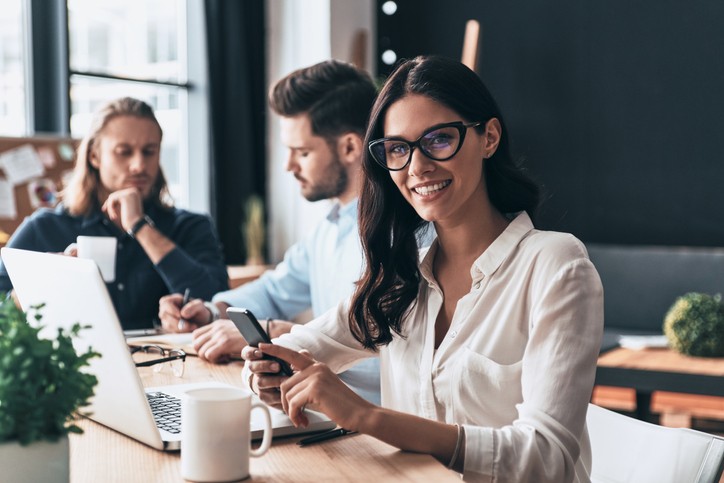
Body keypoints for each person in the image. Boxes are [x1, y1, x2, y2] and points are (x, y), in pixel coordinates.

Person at [242, 55, 604, 482]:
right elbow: (300, 347)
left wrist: (368, 417)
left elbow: (545, 456)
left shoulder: (556, 265)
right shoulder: (400, 278)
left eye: (438, 140)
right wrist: (263, 373)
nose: (417, 167)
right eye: (398, 148)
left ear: (489, 137)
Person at [157, 60, 382, 403]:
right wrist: (208, 311)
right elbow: (277, 291)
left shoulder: (398, 232)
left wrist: (273, 335)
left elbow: (387, 349)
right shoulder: (329, 226)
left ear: (350, 147)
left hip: (372, 420)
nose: (288, 165)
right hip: (322, 409)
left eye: (302, 152)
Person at [0, 97, 229, 329]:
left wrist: (139, 226)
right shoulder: (44, 228)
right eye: (124, 152)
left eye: (149, 152)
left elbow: (216, 303)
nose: (139, 165)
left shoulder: (191, 226)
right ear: (94, 156)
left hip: (170, 363)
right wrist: (34, 287)